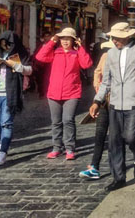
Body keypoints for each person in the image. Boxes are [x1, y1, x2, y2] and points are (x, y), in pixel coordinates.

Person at [89, 23, 135, 191]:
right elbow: (106, 81)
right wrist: (97, 101)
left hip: (134, 101)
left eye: (117, 37)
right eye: (112, 37)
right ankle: (119, 177)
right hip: (114, 102)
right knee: (114, 141)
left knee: (130, 136)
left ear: (127, 36)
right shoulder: (111, 54)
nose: (114, 40)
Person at [35, 27, 93, 160]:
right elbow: (40, 57)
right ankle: (56, 147)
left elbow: (87, 64)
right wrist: (51, 42)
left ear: (73, 41)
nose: (65, 42)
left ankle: (69, 148)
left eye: (68, 39)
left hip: (72, 92)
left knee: (68, 120)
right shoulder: (55, 53)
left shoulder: (76, 54)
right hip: (54, 92)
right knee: (56, 122)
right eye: (63, 39)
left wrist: (81, 48)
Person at [0, 31, 32, 165]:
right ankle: (2, 143)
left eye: (8, 44)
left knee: (6, 123)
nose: (6, 46)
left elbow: (29, 70)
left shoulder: (21, 55)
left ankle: (3, 152)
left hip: (11, 94)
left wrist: (15, 65)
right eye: (4, 44)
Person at [80, 39, 114, 180]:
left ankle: (122, 163)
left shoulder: (128, 57)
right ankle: (95, 166)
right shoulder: (106, 56)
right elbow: (97, 72)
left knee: (118, 136)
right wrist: (97, 87)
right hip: (105, 100)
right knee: (100, 132)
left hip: (121, 102)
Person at [31, 31, 52, 98]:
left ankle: (47, 91)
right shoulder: (40, 45)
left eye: (48, 36)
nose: (47, 38)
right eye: (45, 36)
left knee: (48, 78)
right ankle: (41, 92)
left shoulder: (53, 46)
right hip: (40, 64)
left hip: (49, 64)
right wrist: (34, 63)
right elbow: (35, 54)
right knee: (40, 79)